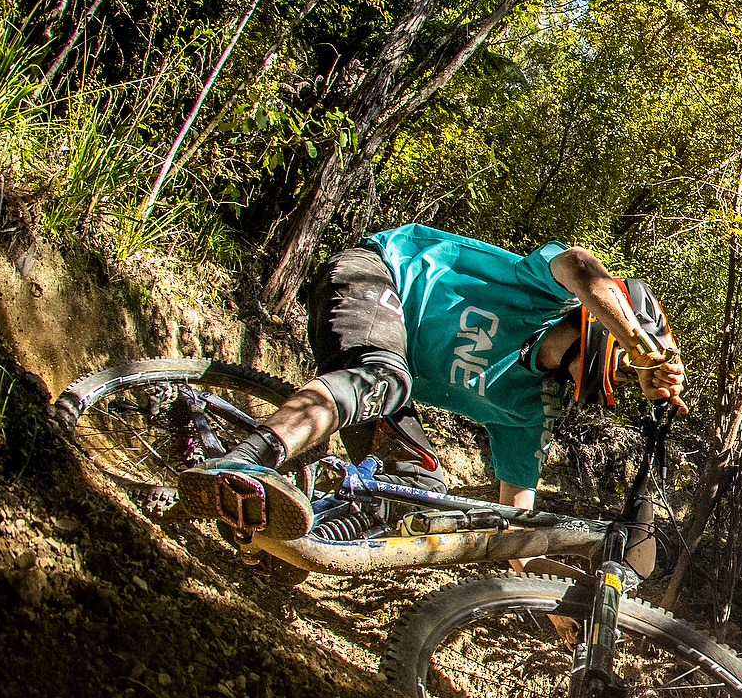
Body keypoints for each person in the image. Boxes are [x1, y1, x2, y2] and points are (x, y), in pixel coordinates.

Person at [179, 225, 686, 541]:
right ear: (608, 328)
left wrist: (554, 601)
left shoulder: (534, 408)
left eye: (629, 376)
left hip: (383, 377)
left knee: (418, 491)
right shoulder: (545, 292)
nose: (621, 380)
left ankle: (290, 540)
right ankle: (244, 460)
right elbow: (580, 265)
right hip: (376, 275)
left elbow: (513, 519)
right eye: (625, 366)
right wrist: (642, 343)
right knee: (385, 377)